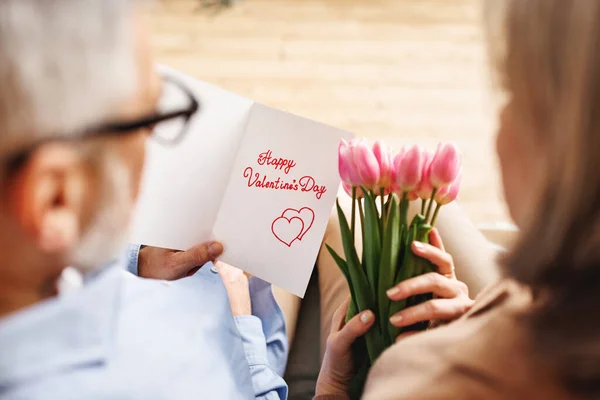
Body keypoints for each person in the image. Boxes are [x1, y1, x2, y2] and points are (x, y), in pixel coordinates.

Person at [315, 0, 600, 399]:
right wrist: (479, 318)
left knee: (335, 212)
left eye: (514, 94)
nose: (501, 122)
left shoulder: (418, 381)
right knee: (408, 203)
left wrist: (331, 389)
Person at [0, 1, 286, 398]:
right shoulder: (186, 379)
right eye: (144, 121)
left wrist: (136, 261)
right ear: (54, 198)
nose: (150, 140)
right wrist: (245, 325)